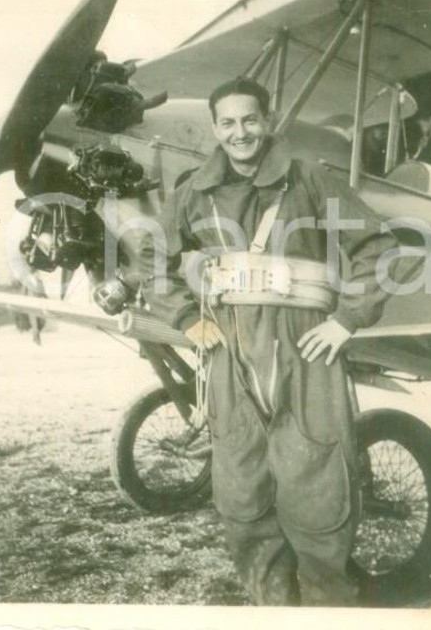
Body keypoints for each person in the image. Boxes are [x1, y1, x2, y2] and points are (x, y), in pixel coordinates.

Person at [138, 77, 399, 606]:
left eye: (250, 120)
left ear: (268, 120)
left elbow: (380, 246)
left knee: (319, 485)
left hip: (305, 347)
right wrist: (188, 319)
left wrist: (348, 318)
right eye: (229, 123)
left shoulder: (310, 181)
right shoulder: (194, 192)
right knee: (242, 488)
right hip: (228, 349)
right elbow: (150, 260)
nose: (241, 133)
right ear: (215, 128)